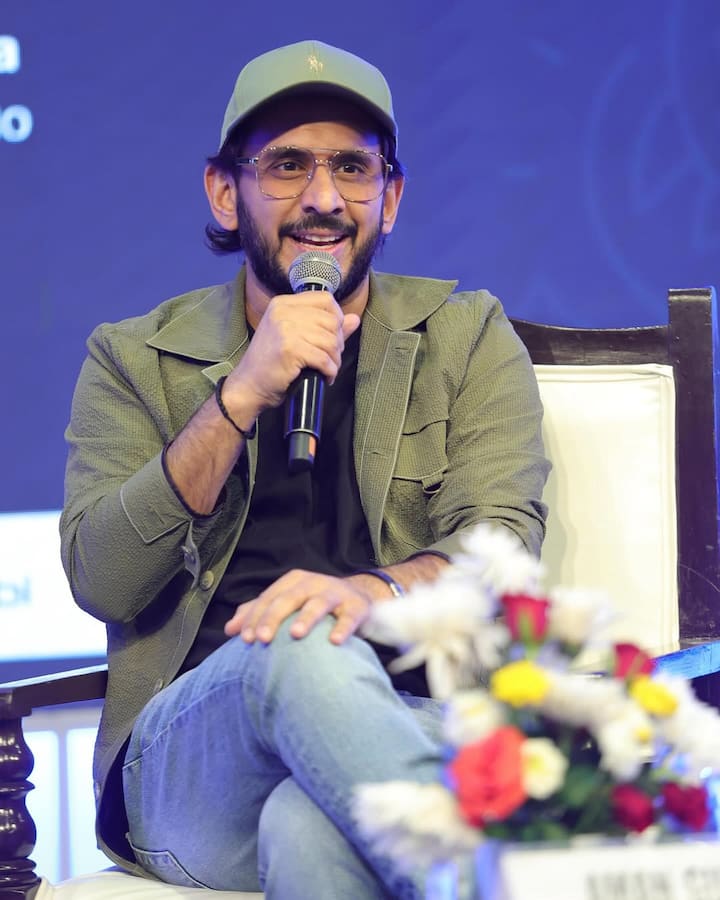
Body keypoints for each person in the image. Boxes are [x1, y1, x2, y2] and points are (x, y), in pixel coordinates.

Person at [60, 39, 549, 899]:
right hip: (194, 766)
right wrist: (240, 396)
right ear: (225, 190)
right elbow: (105, 579)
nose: (323, 199)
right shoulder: (133, 358)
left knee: (306, 823)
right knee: (300, 636)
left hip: (408, 720)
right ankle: (499, 873)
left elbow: (500, 550)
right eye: (288, 165)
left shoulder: (466, 335)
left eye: (352, 169)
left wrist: (368, 593)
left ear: (390, 197)